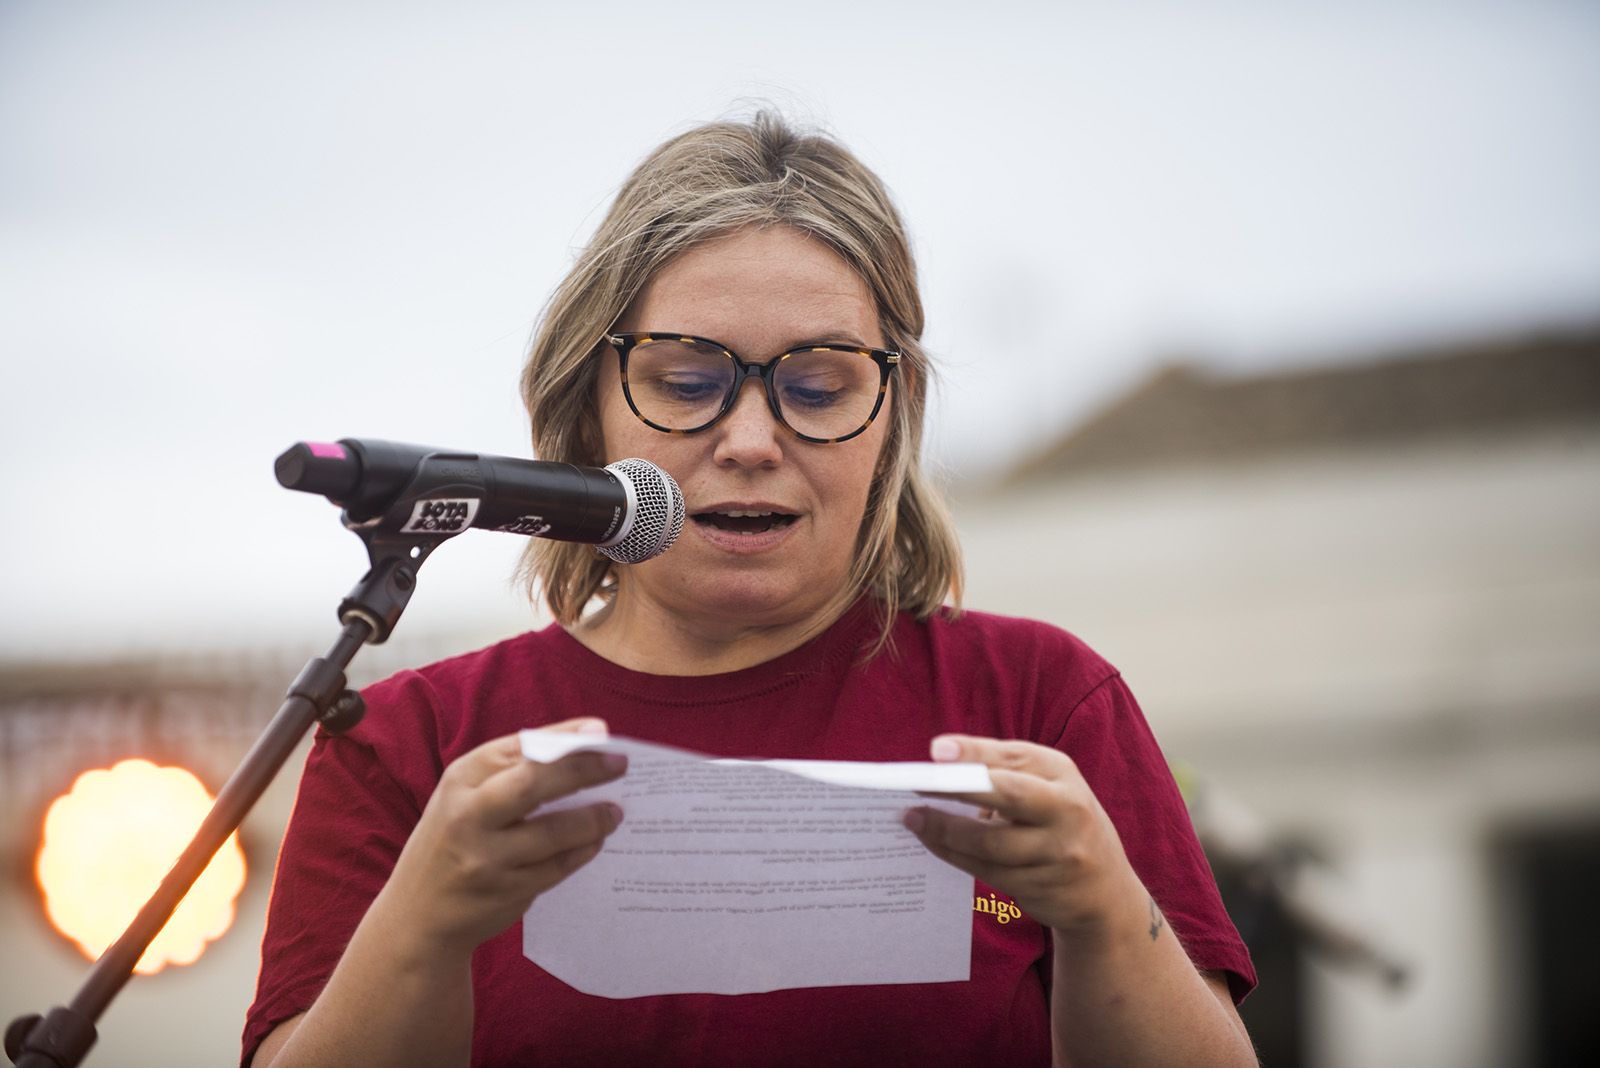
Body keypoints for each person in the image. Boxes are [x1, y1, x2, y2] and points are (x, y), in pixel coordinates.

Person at [244, 113, 1257, 1067]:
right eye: (686, 383)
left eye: (818, 388)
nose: (751, 440)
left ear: (893, 413)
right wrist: (421, 929)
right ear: (589, 406)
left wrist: (1106, 910)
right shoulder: (405, 744)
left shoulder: (1042, 701)